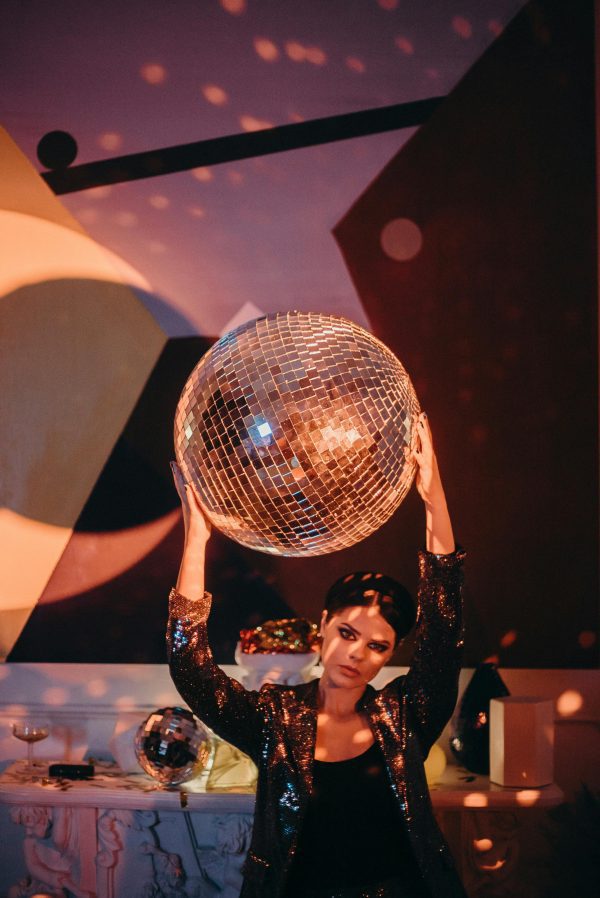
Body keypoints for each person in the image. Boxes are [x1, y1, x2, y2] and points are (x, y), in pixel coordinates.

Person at [167, 412, 467, 898]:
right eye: (347, 633)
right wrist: (196, 541)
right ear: (324, 625)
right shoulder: (276, 718)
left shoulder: (406, 714)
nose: (356, 654)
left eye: (376, 645)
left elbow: (443, 632)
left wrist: (434, 500)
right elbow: (190, 669)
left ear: (390, 654)